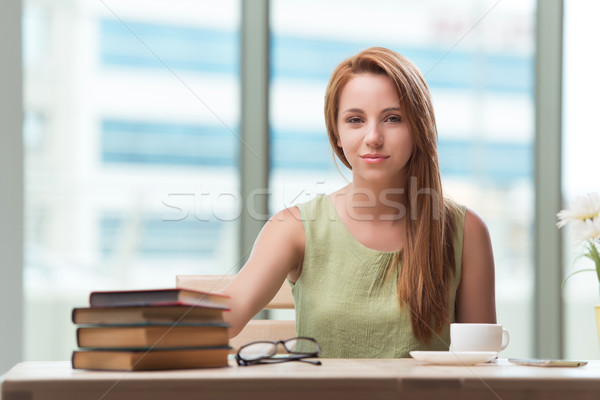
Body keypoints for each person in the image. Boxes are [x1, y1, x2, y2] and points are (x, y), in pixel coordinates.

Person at [222, 47, 496, 358]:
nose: (373, 137)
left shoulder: (466, 232)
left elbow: (483, 366)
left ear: (418, 128)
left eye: (392, 118)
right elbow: (225, 317)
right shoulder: (294, 228)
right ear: (336, 134)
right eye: (355, 120)